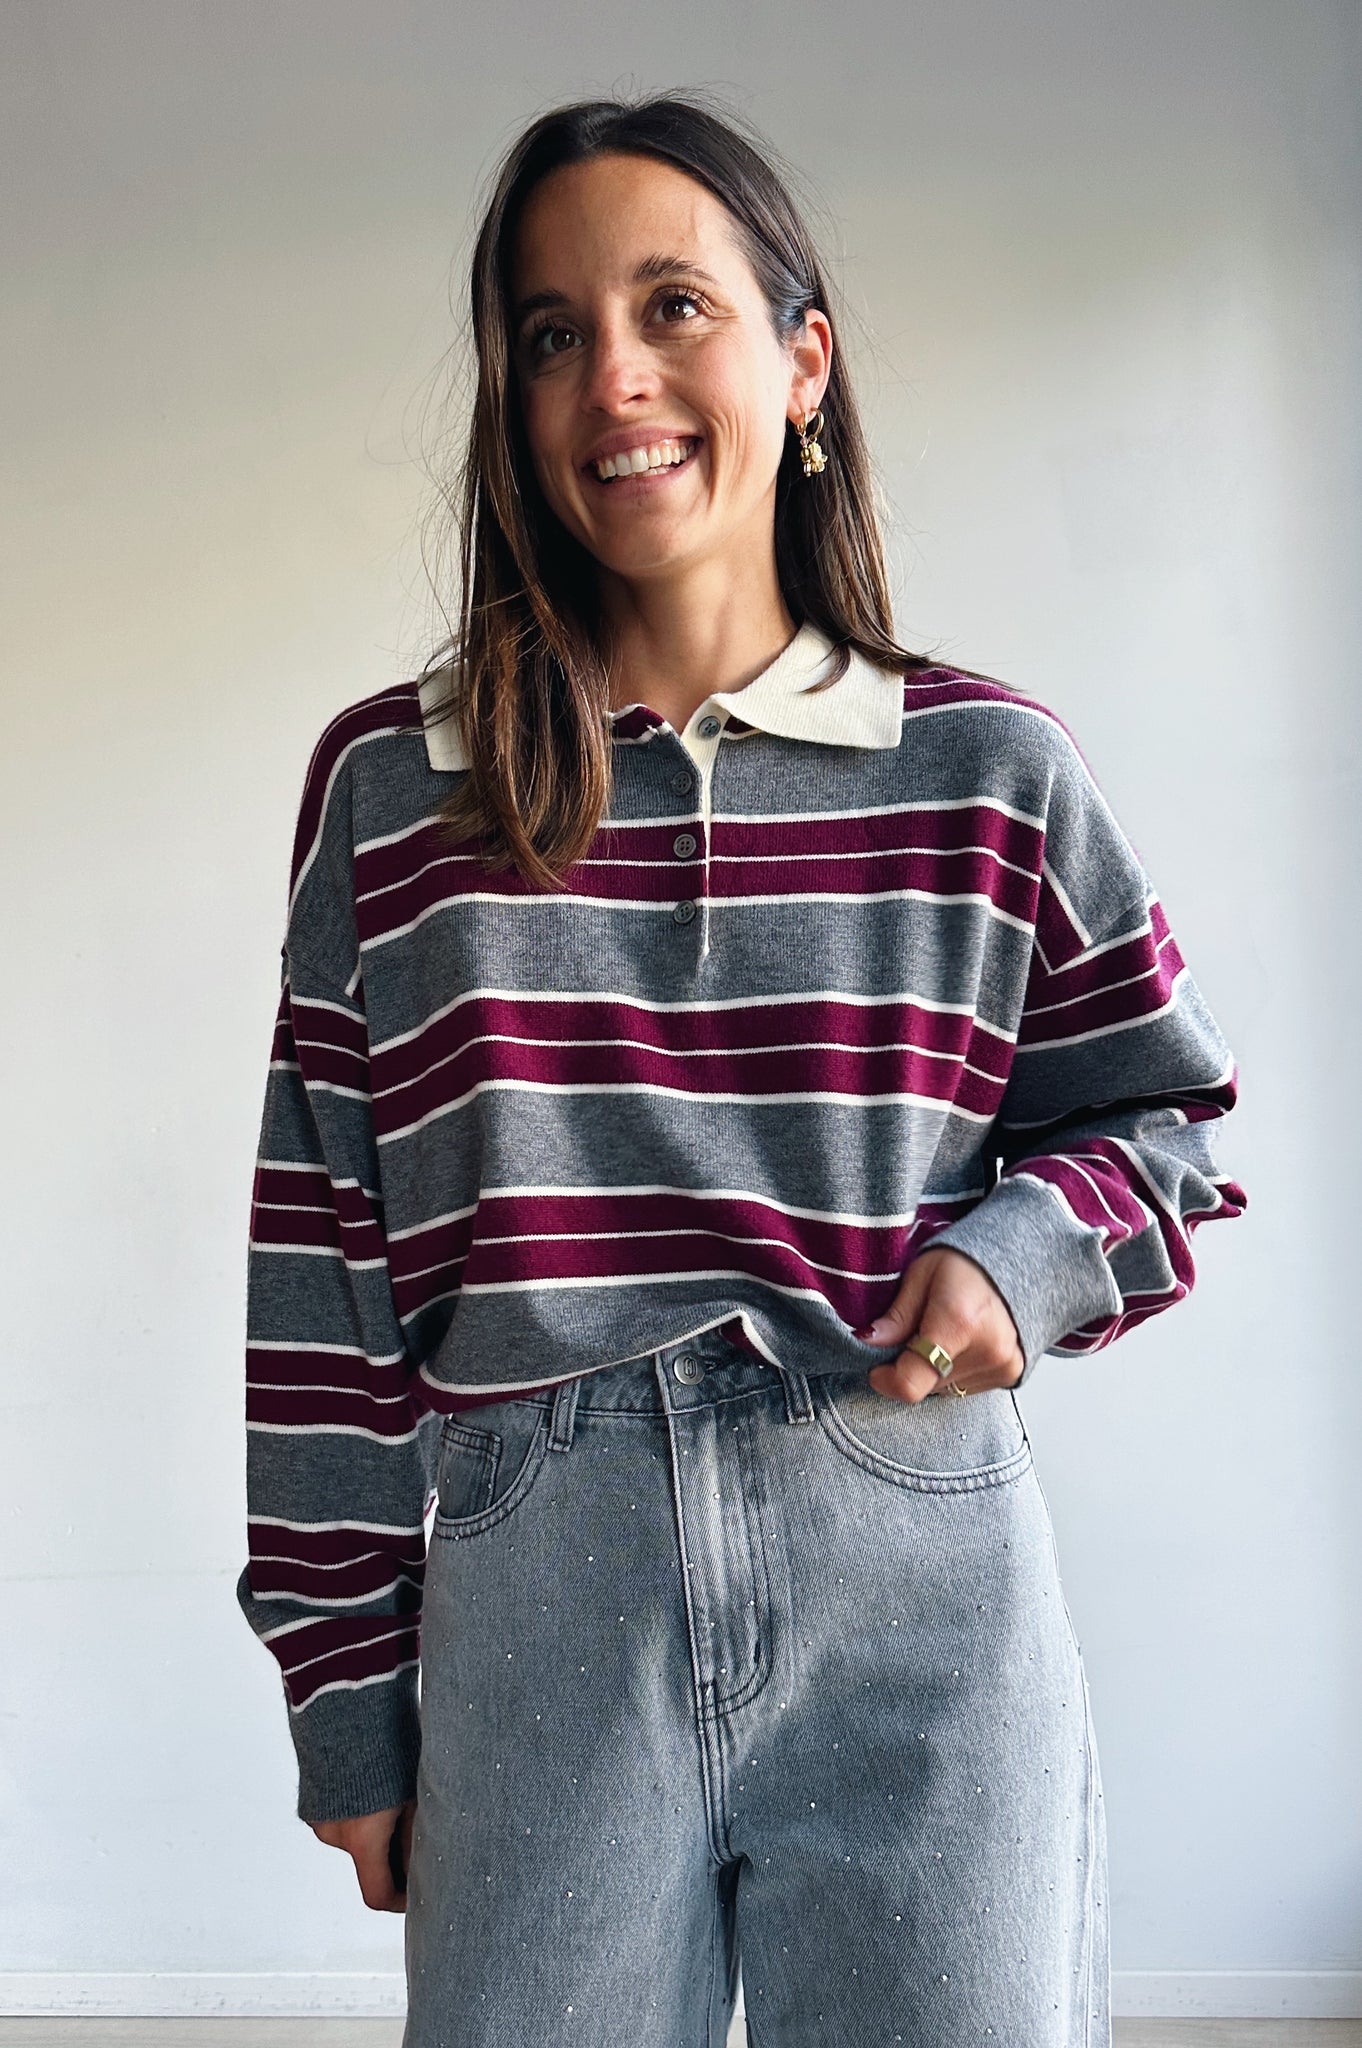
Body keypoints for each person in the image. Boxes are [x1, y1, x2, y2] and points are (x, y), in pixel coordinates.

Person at [237, 91, 1245, 2048]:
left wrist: (1016, 1261)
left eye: (672, 305)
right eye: (549, 332)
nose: (611, 373)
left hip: (913, 1567)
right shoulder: (396, 789)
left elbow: (1162, 1119)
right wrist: (344, 1689)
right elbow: (325, 1268)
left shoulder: (986, 772)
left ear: (803, 364)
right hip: (540, 1587)